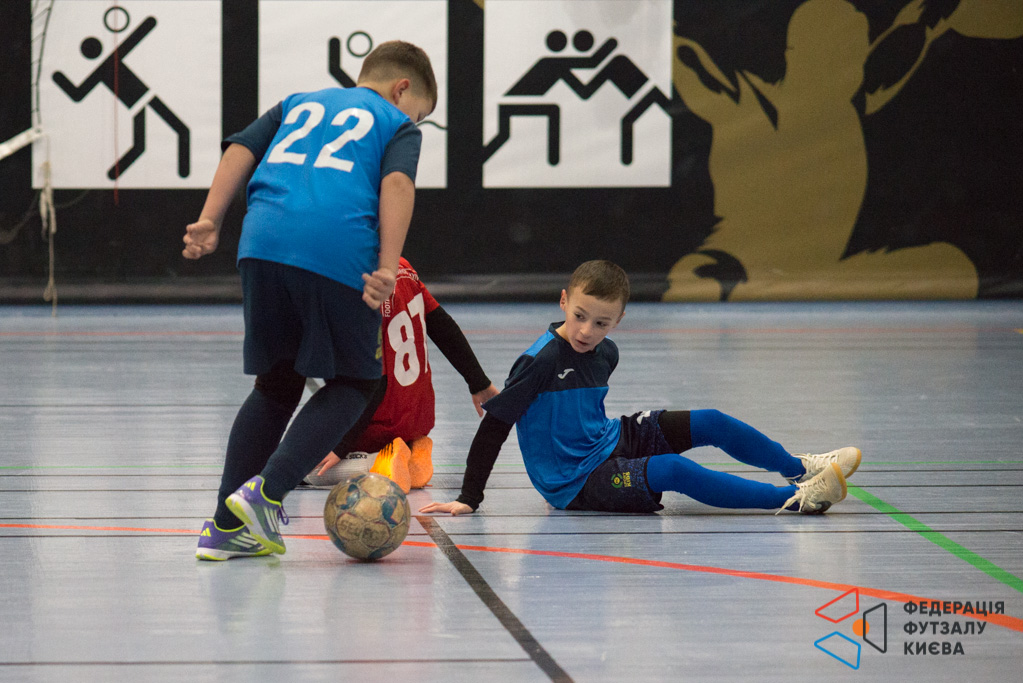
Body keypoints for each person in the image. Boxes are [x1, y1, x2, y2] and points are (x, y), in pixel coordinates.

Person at [188, 41, 438, 560]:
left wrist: (211, 218)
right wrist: (388, 265)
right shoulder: (396, 124)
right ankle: (267, 492)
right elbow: (397, 184)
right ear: (402, 89)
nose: (414, 121)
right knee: (359, 382)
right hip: (335, 249)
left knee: (276, 384)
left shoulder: (297, 103)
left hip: (260, 243)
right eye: (419, 113)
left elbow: (240, 150)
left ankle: (226, 527)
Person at [420, 260, 861, 518]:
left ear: (619, 321)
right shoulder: (541, 362)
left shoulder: (606, 353)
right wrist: (469, 497)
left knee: (711, 421)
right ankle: (795, 500)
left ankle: (797, 468)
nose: (586, 331)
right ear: (563, 301)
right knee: (671, 469)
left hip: (609, 440)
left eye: (601, 322)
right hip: (574, 482)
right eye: (579, 316)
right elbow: (494, 426)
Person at [303, 257, 500, 493]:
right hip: (416, 415)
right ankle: (411, 449)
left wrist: (341, 445)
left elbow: (374, 381)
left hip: (379, 421)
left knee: (297, 466)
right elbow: (441, 324)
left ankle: (381, 462)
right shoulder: (403, 266)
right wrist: (479, 382)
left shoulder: (357, 280)